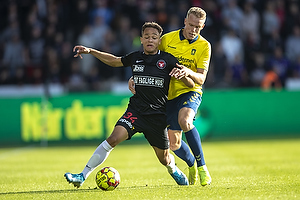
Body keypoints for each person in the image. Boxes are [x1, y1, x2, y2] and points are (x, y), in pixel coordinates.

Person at [64, 22, 191, 188]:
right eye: (146, 37)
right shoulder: (135, 57)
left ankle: (173, 169)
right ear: (141, 40)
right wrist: (91, 51)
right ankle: (82, 175)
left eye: (154, 37)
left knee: (164, 158)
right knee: (113, 139)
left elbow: (189, 84)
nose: (150, 40)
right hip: (136, 111)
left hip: (157, 116)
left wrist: (183, 75)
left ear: (159, 41)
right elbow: (115, 61)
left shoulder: (167, 60)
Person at [129, 7, 212, 186]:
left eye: (197, 27)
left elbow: (201, 78)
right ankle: (191, 164)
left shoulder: (204, 46)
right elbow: (149, 59)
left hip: (189, 91)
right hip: (167, 95)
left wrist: (187, 72)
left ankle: (202, 166)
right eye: (190, 25)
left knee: (186, 121)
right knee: (174, 144)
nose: (193, 30)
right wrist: (134, 76)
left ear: (203, 26)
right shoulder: (167, 39)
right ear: (185, 21)